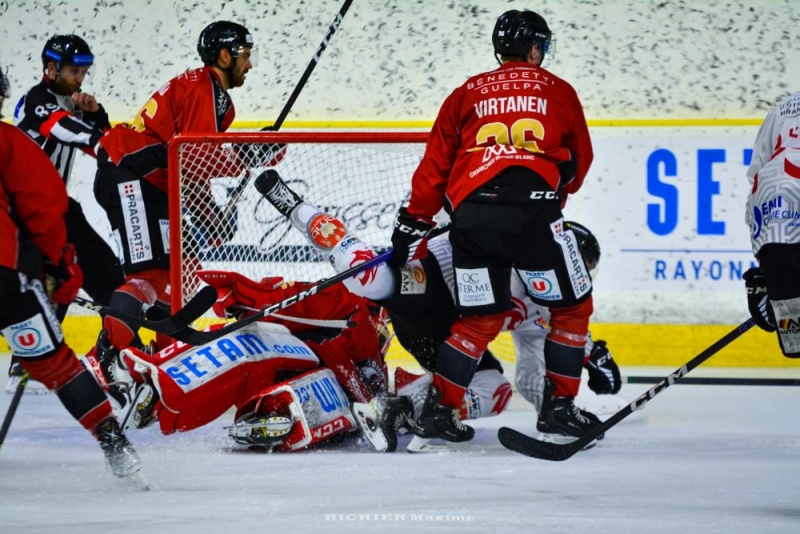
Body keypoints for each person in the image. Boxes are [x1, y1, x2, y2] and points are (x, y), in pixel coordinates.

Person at [256, 170, 621, 452]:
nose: (577, 273)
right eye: (579, 262)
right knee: (367, 277)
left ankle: (397, 408)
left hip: (447, 341)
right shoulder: (515, 240)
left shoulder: (547, 308)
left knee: (496, 391)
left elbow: (529, 376)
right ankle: (296, 208)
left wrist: (560, 409)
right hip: (430, 286)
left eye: (585, 268)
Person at [387, 9, 595, 443]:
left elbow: (435, 166)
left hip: (471, 220)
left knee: (479, 318)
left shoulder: (466, 93)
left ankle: (440, 412)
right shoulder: (558, 90)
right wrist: (556, 191)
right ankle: (558, 409)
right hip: (532, 214)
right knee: (572, 308)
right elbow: (580, 163)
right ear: (535, 48)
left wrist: (414, 221)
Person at [92, 21, 276, 367]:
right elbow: (196, 157)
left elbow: (187, 167)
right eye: (245, 56)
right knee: (148, 276)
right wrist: (249, 153)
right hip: (129, 175)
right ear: (225, 56)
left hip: (150, 182)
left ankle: (163, 353)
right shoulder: (202, 89)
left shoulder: (215, 98)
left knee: (181, 270)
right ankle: (107, 357)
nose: (250, 64)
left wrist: (210, 214)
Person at [91, 271, 398, 453]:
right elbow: (304, 299)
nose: (385, 332)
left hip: (302, 384)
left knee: (252, 350)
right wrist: (247, 295)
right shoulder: (358, 311)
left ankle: (266, 417)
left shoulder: (373, 353)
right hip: (288, 355)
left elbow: (399, 390)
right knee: (245, 344)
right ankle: (153, 385)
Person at [0, 84, 140, 479]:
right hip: (6, 275)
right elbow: (45, 208)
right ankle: (113, 441)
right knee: (58, 366)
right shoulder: (11, 140)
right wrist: (62, 267)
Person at [7, 35, 124, 394]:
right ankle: (27, 364)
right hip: (25, 212)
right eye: (74, 71)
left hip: (57, 206)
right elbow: (63, 129)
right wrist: (99, 138)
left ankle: (118, 348)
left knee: (109, 278)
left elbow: (99, 138)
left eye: (84, 71)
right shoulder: (36, 100)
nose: (80, 78)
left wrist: (96, 113)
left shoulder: (72, 102)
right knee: (50, 281)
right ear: (51, 68)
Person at [744, 91, 800, 357]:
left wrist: (767, 271)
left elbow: (757, 169)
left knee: (797, 342)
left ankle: (777, 294)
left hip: (770, 194)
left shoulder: (784, 106)